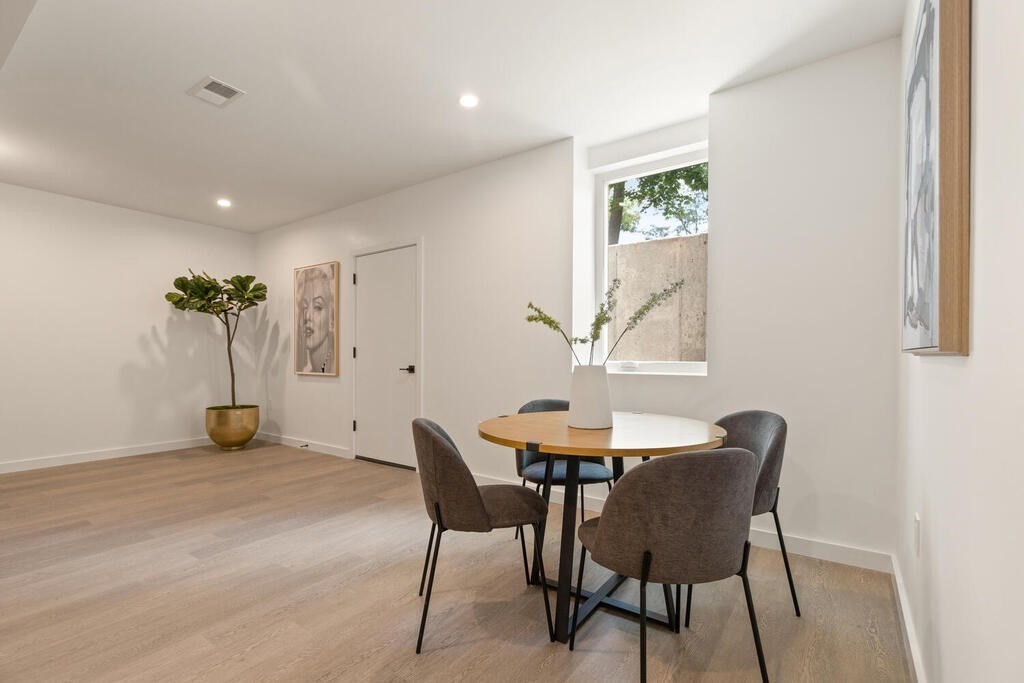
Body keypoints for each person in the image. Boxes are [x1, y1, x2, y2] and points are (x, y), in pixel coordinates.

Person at [295, 266, 336, 373]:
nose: (307, 316)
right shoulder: (307, 371)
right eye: (304, 307)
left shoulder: (337, 368)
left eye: (317, 307)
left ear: (332, 318)